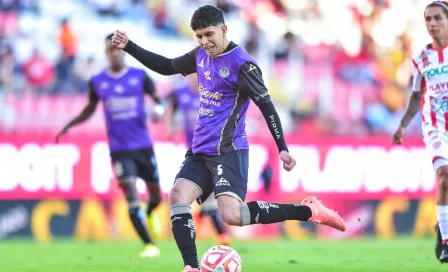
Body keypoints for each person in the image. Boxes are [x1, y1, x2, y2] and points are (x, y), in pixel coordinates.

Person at [112, 5, 346, 271]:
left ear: (224, 29)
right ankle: (191, 267)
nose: (204, 42)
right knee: (178, 195)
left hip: (229, 150)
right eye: (199, 36)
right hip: (200, 149)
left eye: (209, 34)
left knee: (232, 215)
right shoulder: (200, 55)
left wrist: (282, 148)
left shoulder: (242, 64)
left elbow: (266, 105)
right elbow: (166, 67)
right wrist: (129, 46)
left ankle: (308, 211)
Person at [56, 33, 164, 259]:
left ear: (123, 51)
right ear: (106, 53)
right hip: (119, 150)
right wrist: (69, 125)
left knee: (156, 197)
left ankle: (150, 212)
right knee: (130, 194)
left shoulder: (140, 76)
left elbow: (158, 101)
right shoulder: (97, 81)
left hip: (143, 146)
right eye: (111, 49)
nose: (115, 53)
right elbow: (89, 109)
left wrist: (158, 113)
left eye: (118, 49)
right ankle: (148, 245)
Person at [392, 1, 448, 263]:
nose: (432, 24)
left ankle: (442, 226)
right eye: (428, 19)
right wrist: (402, 126)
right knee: (444, 176)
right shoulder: (421, 59)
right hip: (436, 126)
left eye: (438, 18)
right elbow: (416, 97)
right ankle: (447, 242)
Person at [165, 75, 231, 246]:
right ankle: (221, 235)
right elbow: (171, 105)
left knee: (210, 193)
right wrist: (170, 126)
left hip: (214, 150)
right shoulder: (180, 92)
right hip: (195, 152)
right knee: (205, 195)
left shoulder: (211, 92)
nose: (194, 76)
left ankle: (211, 227)